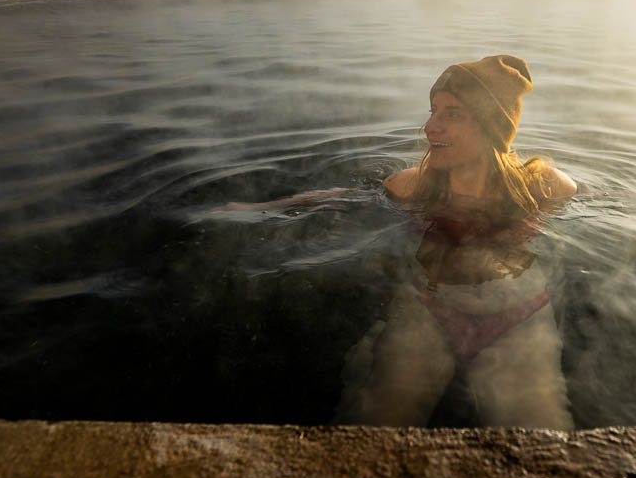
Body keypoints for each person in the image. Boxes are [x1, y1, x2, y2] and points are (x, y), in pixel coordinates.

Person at [228, 55, 577, 428]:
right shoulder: (412, 187)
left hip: (519, 322)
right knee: (368, 437)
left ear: (493, 124)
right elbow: (340, 196)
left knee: (541, 447)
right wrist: (259, 207)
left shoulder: (542, 186)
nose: (430, 127)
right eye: (433, 111)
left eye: (452, 114)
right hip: (427, 315)